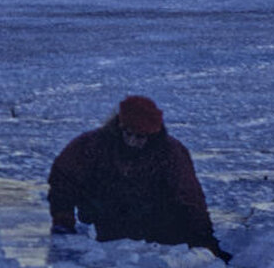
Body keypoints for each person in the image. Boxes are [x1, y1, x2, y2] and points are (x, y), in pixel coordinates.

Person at [48, 95, 229, 258]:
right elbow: (63, 179)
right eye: (129, 134)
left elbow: (190, 197)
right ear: (120, 126)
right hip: (110, 220)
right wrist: (63, 220)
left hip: (157, 221)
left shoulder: (171, 152)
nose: (134, 141)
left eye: (141, 137)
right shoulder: (91, 145)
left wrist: (205, 239)